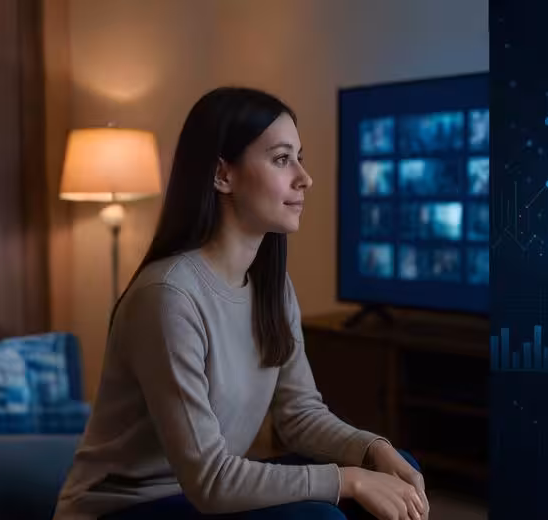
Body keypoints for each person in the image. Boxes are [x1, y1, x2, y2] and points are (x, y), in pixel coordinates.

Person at [53, 87, 429, 520]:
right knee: (321, 514)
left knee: (396, 469)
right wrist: (346, 480)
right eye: (282, 159)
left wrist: (370, 450)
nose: (304, 178)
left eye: (299, 158)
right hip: (128, 507)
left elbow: (299, 415)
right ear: (222, 175)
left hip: (201, 494)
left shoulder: (272, 287)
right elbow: (211, 481)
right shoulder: (168, 297)